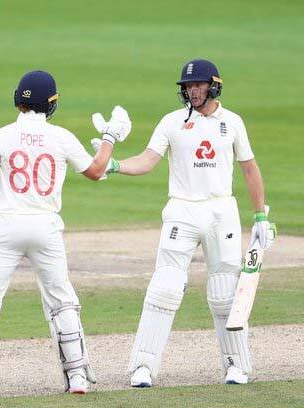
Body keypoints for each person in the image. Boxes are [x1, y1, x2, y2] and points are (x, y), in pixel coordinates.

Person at [0, 70, 131, 396]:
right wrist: (110, 138)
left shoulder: (1, 135)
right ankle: (78, 377)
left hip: (5, 225)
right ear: (51, 104)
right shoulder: (62, 137)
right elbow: (97, 171)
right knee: (61, 301)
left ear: (19, 100)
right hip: (45, 227)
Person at [93, 59, 275, 387]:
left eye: (198, 85)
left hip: (222, 211)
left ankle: (236, 366)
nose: (191, 90)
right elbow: (148, 160)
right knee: (164, 288)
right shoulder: (172, 122)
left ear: (213, 86)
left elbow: (249, 167)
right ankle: (143, 368)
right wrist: (115, 165)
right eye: (188, 86)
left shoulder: (232, 122)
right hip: (182, 210)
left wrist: (260, 215)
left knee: (224, 293)